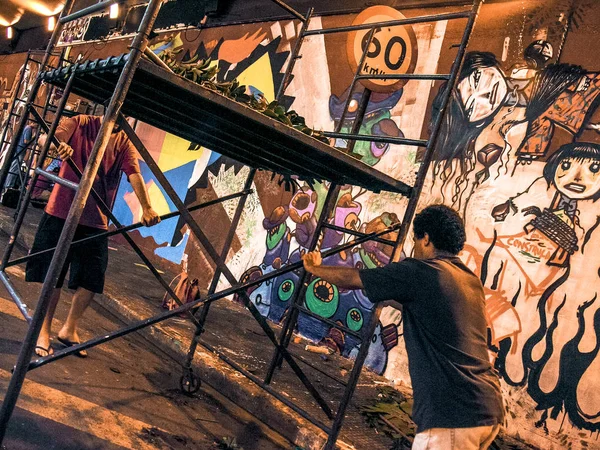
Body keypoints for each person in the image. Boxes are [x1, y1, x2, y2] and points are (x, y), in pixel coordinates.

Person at [302, 204, 504, 450]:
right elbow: (419, 307)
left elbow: (354, 278)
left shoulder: (422, 271)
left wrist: (315, 268)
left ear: (426, 238)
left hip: (451, 413)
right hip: (486, 407)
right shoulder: (467, 279)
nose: (415, 248)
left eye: (416, 241)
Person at [26, 114, 160, 358]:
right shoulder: (81, 122)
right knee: (52, 273)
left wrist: (147, 206)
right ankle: (43, 331)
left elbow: (134, 174)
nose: (121, 117)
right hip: (62, 211)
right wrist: (60, 145)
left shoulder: (123, 141)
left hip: (96, 218)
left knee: (93, 276)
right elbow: (50, 136)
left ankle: (69, 328)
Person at [3, 123, 37, 190]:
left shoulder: (26, 127)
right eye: (37, 125)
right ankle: (9, 185)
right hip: (20, 151)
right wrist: (34, 141)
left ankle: (7, 184)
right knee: (14, 169)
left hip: (18, 150)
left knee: (13, 168)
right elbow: (26, 141)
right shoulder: (29, 129)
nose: (37, 127)